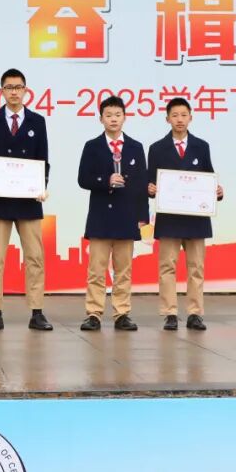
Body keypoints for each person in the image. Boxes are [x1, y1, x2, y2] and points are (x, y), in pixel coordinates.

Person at [0, 68, 51, 331]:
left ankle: (37, 311)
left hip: (28, 201)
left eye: (18, 87)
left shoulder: (37, 121)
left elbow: (43, 159)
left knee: (35, 257)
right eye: (9, 88)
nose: (14, 92)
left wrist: (41, 186)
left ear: (26, 90)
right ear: (2, 91)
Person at [147, 98, 223, 331]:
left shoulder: (202, 146)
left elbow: (208, 177)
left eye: (183, 115)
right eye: (175, 115)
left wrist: (217, 191)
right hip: (169, 219)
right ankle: (170, 313)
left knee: (196, 268)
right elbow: (149, 181)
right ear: (167, 118)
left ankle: (195, 313)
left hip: (196, 219)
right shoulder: (157, 148)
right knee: (167, 267)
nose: (179, 119)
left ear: (191, 117)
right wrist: (150, 189)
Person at [77, 96, 148, 332]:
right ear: (101, 119)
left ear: (124, 117)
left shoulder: (136, 147)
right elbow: (83, 179)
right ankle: (94, 313)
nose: (113, 119)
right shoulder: (92, 146)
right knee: (96, 269)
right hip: (100, 216)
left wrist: (142, 216)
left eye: (117, 115)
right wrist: (105, 180)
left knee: (123, 269)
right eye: (108, 115)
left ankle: (122, 313)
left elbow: (141, 183)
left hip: (126, 216)